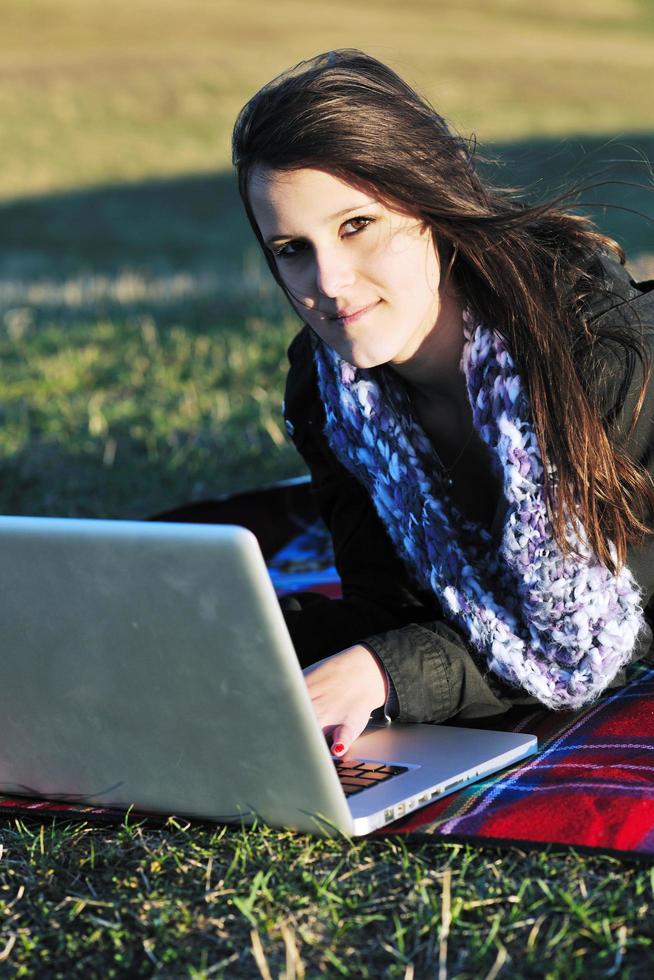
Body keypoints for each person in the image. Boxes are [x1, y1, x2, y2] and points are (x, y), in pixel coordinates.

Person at [231, 49, 654, 759]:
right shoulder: (328, 392)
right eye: (290, 249)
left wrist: (387, 673)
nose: (328, 283)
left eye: (356, 225)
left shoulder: (593, 346)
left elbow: (619, 624)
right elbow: (394, 610)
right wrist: (231, 641)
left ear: (427, 203)